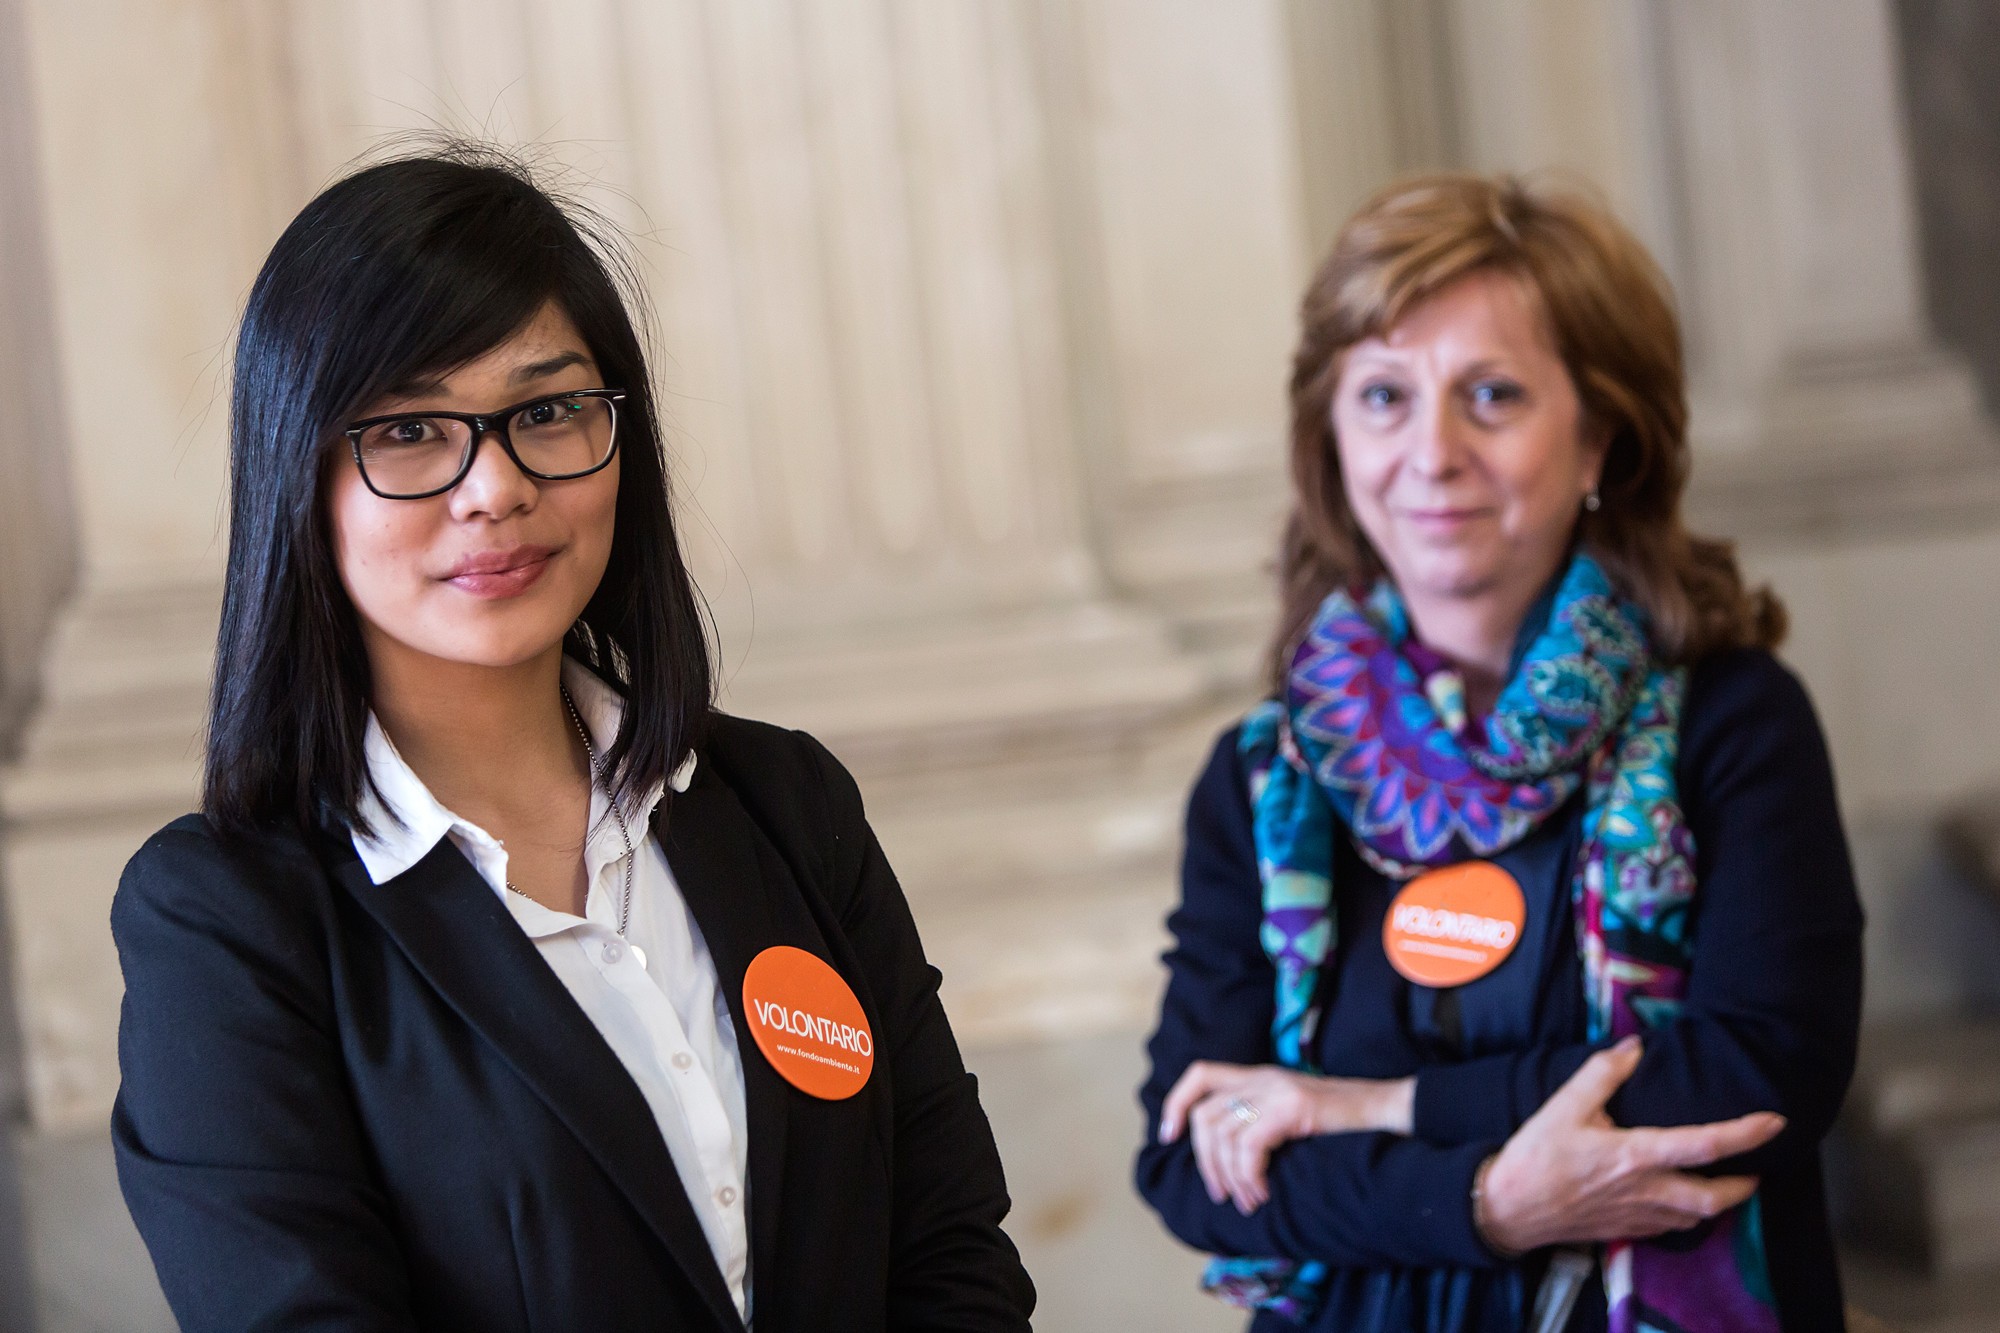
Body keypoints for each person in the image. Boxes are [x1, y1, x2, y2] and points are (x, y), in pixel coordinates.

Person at [111, 146, 1035, 1333]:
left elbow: (952, 1254)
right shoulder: (225, 921)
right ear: (302, 476)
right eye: (405, 431)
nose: (493, 487)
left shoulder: (786, 803)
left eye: (546, 412)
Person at [1135, 174, 1863, 1332]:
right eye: (1381, 395)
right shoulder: (1263, 777)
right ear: (1329, 442)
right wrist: (1486, 1202)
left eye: (1490, 394)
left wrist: (1362, 1105)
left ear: (1600, 442)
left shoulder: (1731, 721)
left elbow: (1755, 1074)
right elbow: (1189, 1155)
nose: (1430, 452)